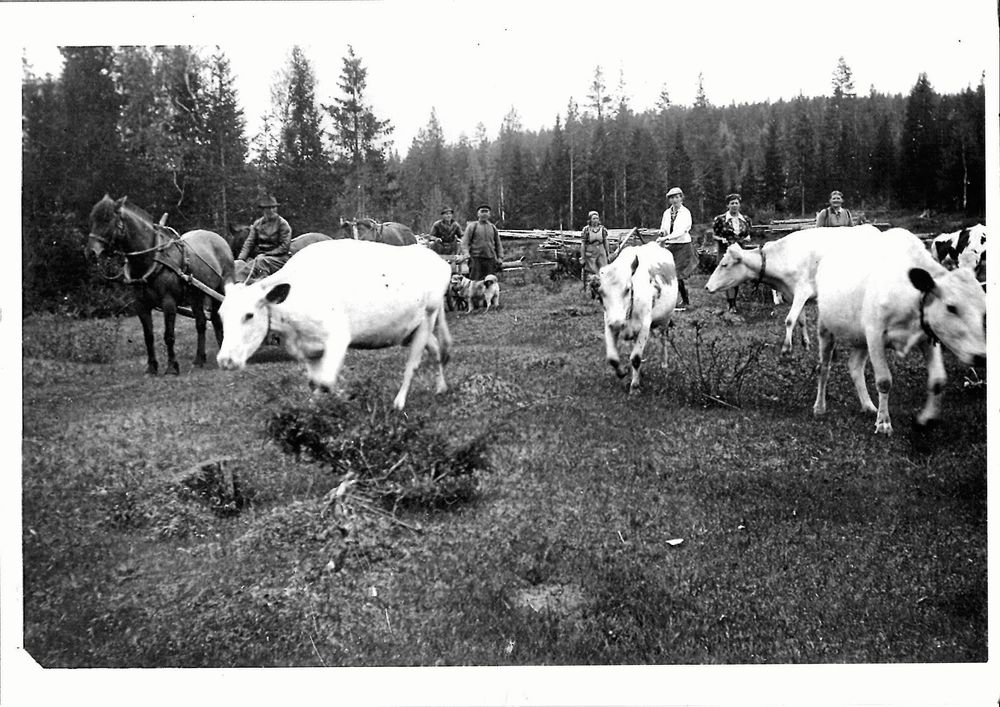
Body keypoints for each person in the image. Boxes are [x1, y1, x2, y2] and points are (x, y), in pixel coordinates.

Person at [712, 192, 753, 313]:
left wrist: (747, 238)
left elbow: (748, 234)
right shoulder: (720, 219)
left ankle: (735, 301)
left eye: (736, 203)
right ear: (727, 205)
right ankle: (731, 304)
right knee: (729, 275)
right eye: (732, 203)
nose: (734, 205)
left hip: (740, 251)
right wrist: (721, 239)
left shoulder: (745, 220)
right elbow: (714, 235)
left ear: (739, 205)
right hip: (726, 251)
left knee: (737, 276)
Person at [656, 186, 696, 308]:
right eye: (672, 198)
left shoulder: (686, 213)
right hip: (671, 246)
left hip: (683, 246)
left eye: (677, 197)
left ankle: (684, 300)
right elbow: (664, 227)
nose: (674, 200)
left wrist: (666, 238)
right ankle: (669, 300)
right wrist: (662, 233)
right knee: (667, 272)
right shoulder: (667, 213)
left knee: (677, 274)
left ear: (681, 198)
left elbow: (682, 231)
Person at [237, 194, 292, 279]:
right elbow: (249, 243)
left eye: (273, 207)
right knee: (241, 269)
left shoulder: (283, 224)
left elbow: (284, 247)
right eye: (268, 208)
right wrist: (241, 259)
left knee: (261, 262)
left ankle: (262, 283)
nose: (271, 210)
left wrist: (266, 254)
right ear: (263, 210)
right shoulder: (257, 224)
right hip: (261, 257)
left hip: (279, 258)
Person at [460, 204, 504, 281]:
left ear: (489, 214)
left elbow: (498, 244)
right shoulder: (472, 226)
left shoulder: (492, 227)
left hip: (490, 259)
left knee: (490, 281)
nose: (484, 214)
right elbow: (465, 242)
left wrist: (500, 257)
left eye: (486, 211)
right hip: (476, 259)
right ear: (478, 214)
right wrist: (466, 253)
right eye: (482, 211)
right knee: (475, 281)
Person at [579, 210, 610, 291]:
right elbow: (583, 243)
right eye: (594, 218)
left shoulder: (602, 229)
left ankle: (604, 289)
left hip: (601, 251)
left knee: (603, 270)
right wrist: (582, 257)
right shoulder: (586, 229)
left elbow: (605, 241)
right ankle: (591, 289)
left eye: (597, 218)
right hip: (591, 251)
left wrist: (608, 254)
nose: (596, 220)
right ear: (590, 220)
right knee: (592, 270)